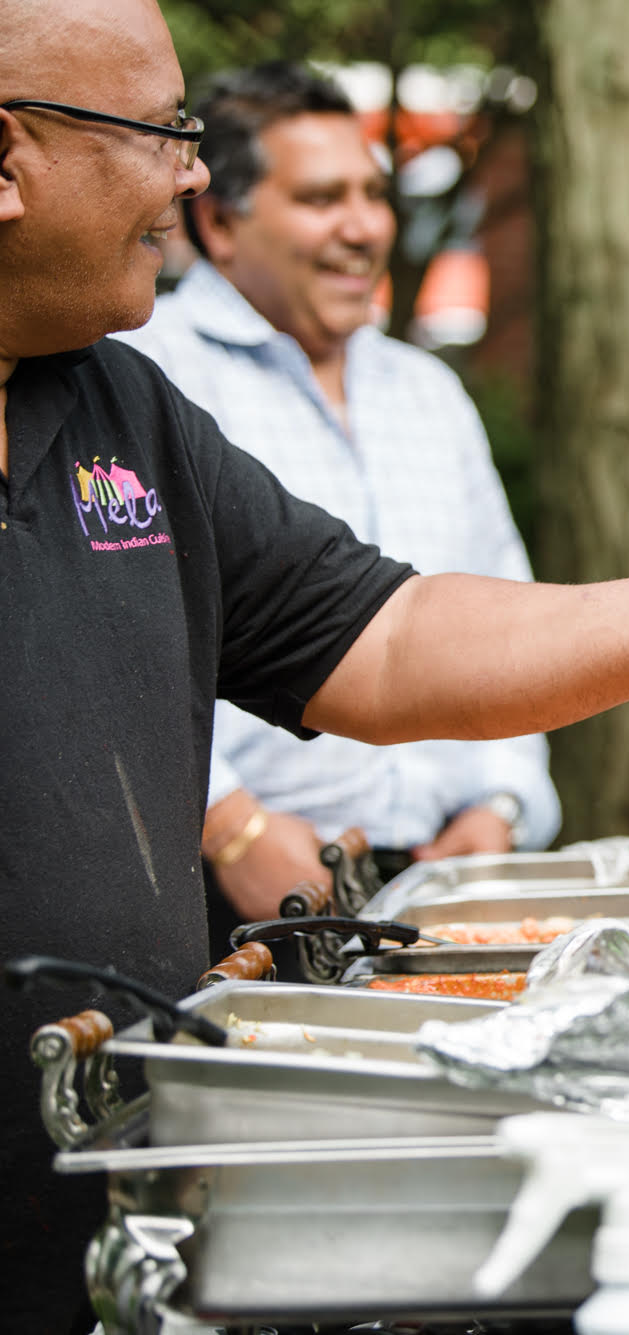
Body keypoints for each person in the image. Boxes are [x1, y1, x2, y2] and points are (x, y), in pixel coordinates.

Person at [0, 1, 629, 1324]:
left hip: (106, 1193)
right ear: (8, 160)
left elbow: (390, 637)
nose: (187, 171)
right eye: (161, 130)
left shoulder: (120, 406)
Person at [114, 63, 560, 950]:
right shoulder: (147, 376)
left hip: (444, 884)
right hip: (224, 900)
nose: (364, 228)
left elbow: (505, 600)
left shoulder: (429, 391)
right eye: (322, 198)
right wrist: (229, 825)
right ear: (220, 220)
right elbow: (109, 648)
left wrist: (502, 801)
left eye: (372, 194)